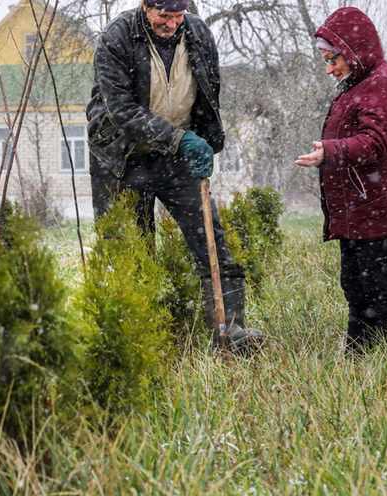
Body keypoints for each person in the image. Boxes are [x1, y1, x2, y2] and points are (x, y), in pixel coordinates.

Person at [86, 0, 261, 351]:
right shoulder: (116, 38)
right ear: (145, 6)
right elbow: (122, 111)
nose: (171, 23)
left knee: (210, 237)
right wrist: (180, 140)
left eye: (177, 15)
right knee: (131, 251)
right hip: (122, 155)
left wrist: (208, 143)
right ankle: (136, 340)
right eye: (163, 16)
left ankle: (230, 329)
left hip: (176, 153)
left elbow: (209, 93)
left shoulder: (197, 33)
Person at [295, 7, 387, 353]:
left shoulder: (383, 83)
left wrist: (330, 152)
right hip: (361, 206)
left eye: (332, 58)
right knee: (355, 283)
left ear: (352, 50)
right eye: (325, 59)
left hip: (382, 204)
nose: (329, 68)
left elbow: (375, 142)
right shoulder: (359, 83)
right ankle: (359, 352)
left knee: (380, 287)